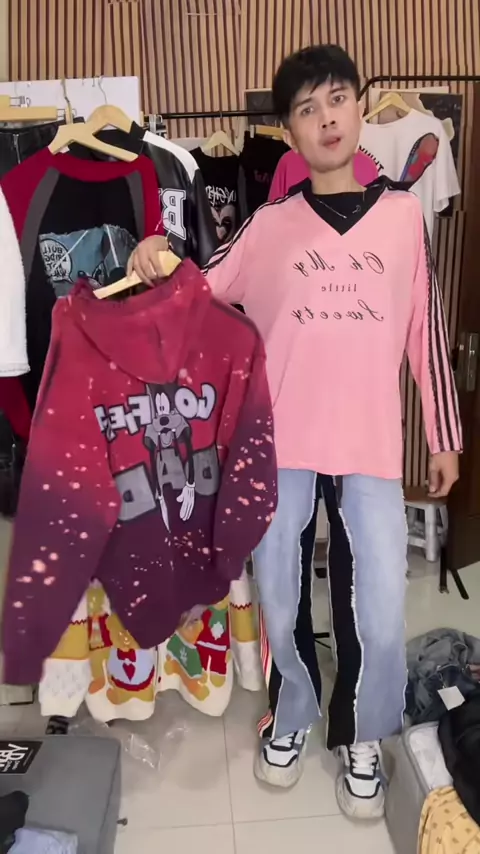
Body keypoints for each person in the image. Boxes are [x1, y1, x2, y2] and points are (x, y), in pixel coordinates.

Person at [127, 45, 461, 819]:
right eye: (307, 109)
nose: (326, 119)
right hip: (280, 446)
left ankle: (363, 732)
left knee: (378, 604)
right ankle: (294, 712)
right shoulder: (269, 225)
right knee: (281, 598)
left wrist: (443, 433)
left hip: (371, 445)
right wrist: (158, 255)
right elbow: (199, 290)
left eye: (337, 99)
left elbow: (425, 329)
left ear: (359, 108)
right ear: (289, 130)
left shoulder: (402, 217)